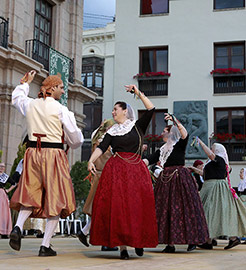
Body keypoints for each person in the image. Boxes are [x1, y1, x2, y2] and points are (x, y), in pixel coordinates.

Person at [10, 70, 83, 256]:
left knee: (30, 192)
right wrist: (66, 138)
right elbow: (76, 139)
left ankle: (17, 227)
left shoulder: (31, 104)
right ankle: (45, 245)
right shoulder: (61, 109)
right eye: (61, 87)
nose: (63, 92)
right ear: (52, 88)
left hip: (32, 152)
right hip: (54, 154)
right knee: (56, 198)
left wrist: (26, 83)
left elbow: (17, 97)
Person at [88, 84, 158, 260]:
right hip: (117, 171)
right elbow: (102, 147)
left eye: (115, 109)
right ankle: (123, 248)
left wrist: (137, 92)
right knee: (119, 208)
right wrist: (90, 160)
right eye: (112, 110)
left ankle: (139, 240)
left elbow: (151, 109)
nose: (113, 112)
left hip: (136, 170)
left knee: (138, 206)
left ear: (125, 111)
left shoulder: (137, 126)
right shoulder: (112, 131)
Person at [143, 114, 209, 253]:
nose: (161, 133)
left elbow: (185, 134)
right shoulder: (161, 150)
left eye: (164, 131)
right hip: (165, 179)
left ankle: (192, 240)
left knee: (185, 208)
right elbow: (148, 160)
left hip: (180, 178)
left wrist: (174, 120)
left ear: (170, 132)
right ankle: (170, 244)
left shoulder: (179, 145)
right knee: (166, 210)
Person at [196, 140, 246, 250]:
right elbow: (205, 174)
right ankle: (209, 240)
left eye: (213, 147)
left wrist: (201, 143)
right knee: (212, 213)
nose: (211, 149)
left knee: (212, 212)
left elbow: (210, 155)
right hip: (211, 188)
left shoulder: (220, 160)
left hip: (216, 189)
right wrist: (193, 169)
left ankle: (227, 238)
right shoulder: (213, 162)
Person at [77, 119, 118, 252]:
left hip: (96, 174)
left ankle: (86, 231)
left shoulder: (96, 137)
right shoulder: (108, 141)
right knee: (106, 208)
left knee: (98, 207)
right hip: (106, 175)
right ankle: (104, 241)